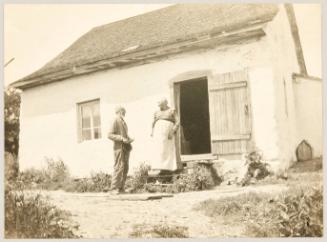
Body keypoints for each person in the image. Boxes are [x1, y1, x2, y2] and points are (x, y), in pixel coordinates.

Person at [107, 106, 134, 194]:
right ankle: (113, 188)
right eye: (123, 111)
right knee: (119, 167)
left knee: (125, 168)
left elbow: (124, 134)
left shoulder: (123, 122)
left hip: (126, 147)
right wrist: (121, 138)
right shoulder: (115, 120)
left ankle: (121, 188)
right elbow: (109, 135)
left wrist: (128, 138)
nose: (125, 113)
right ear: (119, 111)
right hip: (118, 148)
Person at [150, 98, 180, 174]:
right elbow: (153, 123)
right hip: (158, 134)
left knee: (167, 150)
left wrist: (173, 131)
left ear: (165, 103)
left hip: (167, 133)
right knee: (159, 150)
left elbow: (177, 121)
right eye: (159, 105)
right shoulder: (156, 112)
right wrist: (152, 132)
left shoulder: (171, 110)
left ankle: (168, 168)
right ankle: (160, 168)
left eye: (161, 105)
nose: (160, 107)